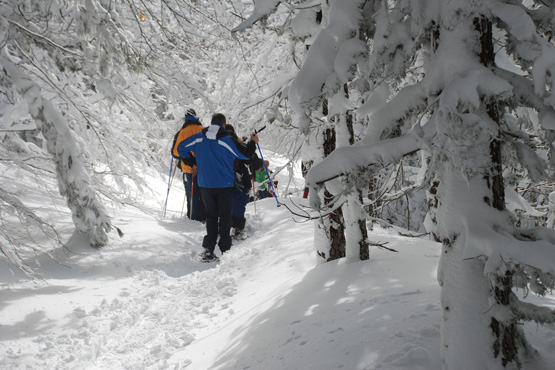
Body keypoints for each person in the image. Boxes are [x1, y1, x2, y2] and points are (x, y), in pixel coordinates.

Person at [177, 113, 259, 262]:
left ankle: (208, 249)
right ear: (223, 124)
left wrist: (192, 163)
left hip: (205, 184)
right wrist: (253, 142)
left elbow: (181, 148)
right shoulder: (226, 140)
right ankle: (225, 250)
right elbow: (246, 156)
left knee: (211, 217)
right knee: (225, 216)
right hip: (224, 184)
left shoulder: (199, 138)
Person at [225, 125, 259, 240]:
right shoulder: (237, 144)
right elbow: (248, 157)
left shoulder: (218, 143)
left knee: (224, 204)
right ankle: (238, 227)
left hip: (223, 179)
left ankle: (225, 225)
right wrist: (253, 143)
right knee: (239, 203)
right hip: (240, 178)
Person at [171, 109, 205, 222]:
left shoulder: (181, 133)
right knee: (204, 193)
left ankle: (193, 217)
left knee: (191, 193)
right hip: (203, 168)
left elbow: (175, 153)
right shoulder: (202, 130)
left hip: (188, 169)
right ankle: (204, 216)